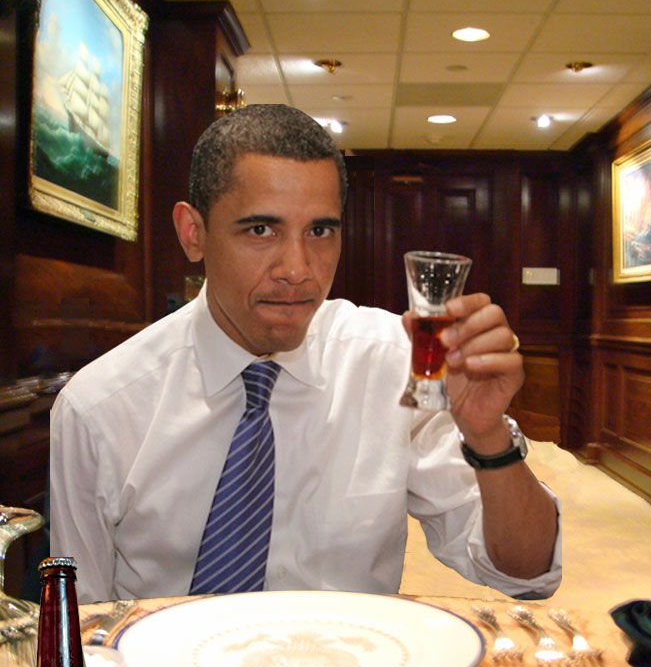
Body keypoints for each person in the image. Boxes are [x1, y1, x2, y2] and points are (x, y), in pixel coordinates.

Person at [50, 104, 561, 604]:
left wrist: (489, 436)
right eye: (261, 230)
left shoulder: (393, 366)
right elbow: (81, 626)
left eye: (320, 231)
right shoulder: (99, 409)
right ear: (194, 233)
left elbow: (526, 573)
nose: (298, 269)